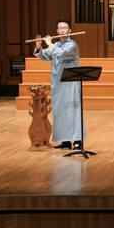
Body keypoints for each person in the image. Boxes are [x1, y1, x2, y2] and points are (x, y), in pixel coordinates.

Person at [32, 18, 84, 150]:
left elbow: (60, 53)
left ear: (69, 30)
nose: (62, 30)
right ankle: (65, 141)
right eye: (60, 28)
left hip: (70, 84)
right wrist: (39, 47)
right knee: (59, 112)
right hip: (58, 83)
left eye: (65, 28)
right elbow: (45, 55)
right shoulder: (56, 45)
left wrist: (50, 44)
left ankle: (77, 141)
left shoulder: (72, 45)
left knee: (72, 111)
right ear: (57, 30)